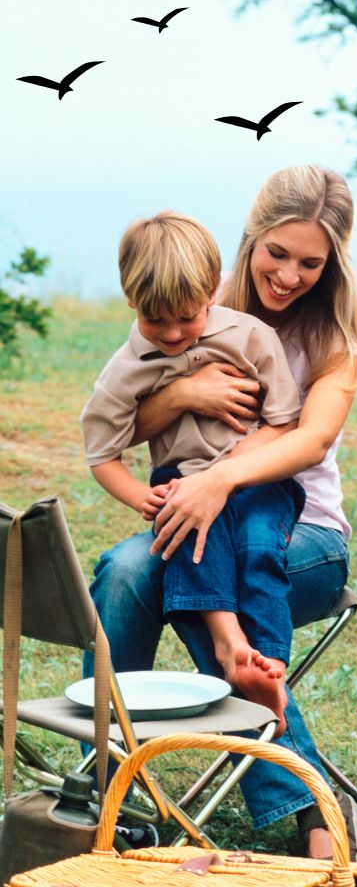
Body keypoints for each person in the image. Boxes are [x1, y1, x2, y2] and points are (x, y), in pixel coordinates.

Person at [83, 165, 357, 859]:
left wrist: (218, 480)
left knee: (202, 579)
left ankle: (312, 810)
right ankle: (105, 785)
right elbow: (121, 422)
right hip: (198, 516)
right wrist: (185, 394)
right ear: (250, 237)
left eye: (311, 263)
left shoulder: (335, 336)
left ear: (332, 263)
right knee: (126, 571)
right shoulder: (188, 301)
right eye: (277, 253)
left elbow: (310, 438)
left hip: (303, 531)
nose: (289, 275)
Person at [81, 211, 305, 728]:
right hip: (179, 480)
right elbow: (101, 454)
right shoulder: (125, 369)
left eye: (187, 317)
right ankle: (230, 644)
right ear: (130, 299)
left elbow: (285, 424)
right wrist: (139, 495)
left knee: (258, 547)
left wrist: (225, 474)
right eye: (155, 320)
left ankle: (269, 663)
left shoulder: (250, 337)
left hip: (257, 480)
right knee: (193, 537)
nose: (173, 333)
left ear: (211, 292)